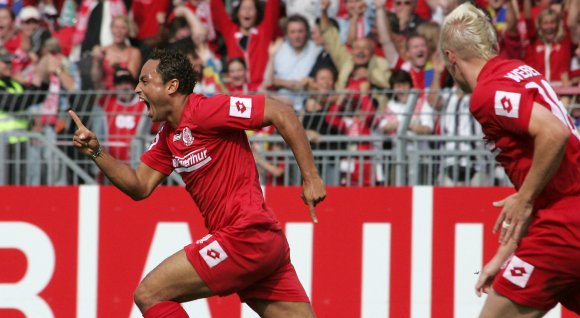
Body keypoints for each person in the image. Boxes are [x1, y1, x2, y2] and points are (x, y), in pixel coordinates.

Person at [69, 49, 326, 317]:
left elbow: (279, 111)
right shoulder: (168, 137)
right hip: (261, 244)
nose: (137, 89)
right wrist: (97, 153)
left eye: (145, 81)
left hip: (244, 235)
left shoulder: (206, 111)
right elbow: (139, 186)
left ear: (171, 86)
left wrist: (311, 177)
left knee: (150, 294)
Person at [440, 3, 580, 316]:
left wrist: (525, 198)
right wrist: (502, 257)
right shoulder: (518, 70)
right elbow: (547, 176)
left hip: (562, 228)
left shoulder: (486, 94)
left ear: (451, 58)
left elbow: (554, 133)